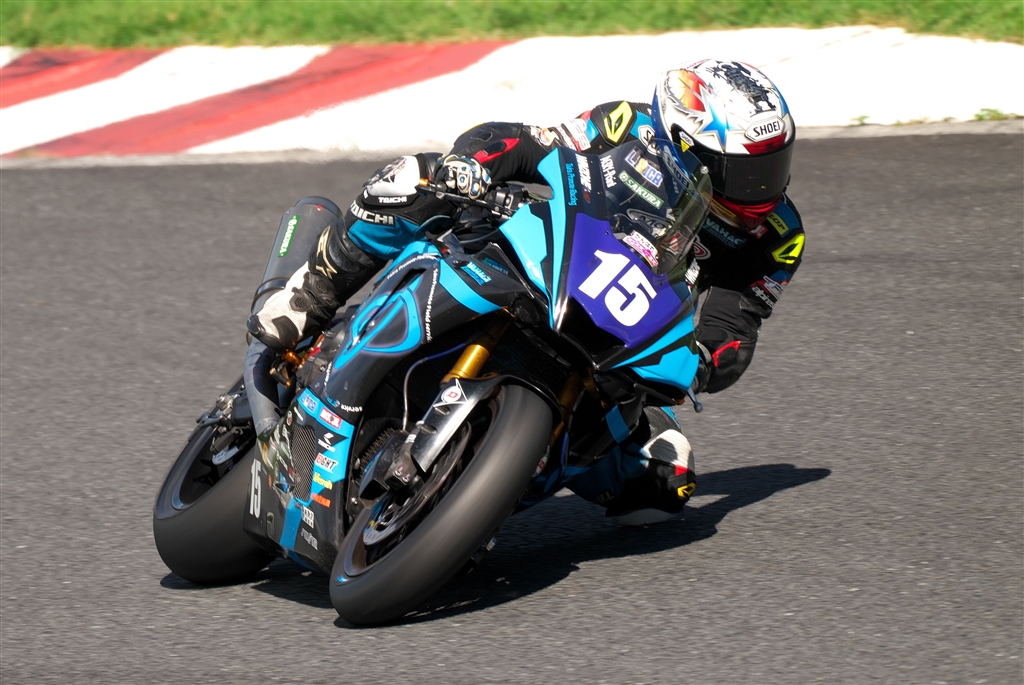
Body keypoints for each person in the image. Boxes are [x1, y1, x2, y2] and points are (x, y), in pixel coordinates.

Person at [248, 59, 805, 523]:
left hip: (621, 344)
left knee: (666, 478)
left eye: (773, 167)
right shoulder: (626, 126)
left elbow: (734, 327)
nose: (763, 190)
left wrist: (705, 361)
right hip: (544, 262)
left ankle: (478, 493)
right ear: (686, 149)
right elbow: (525, 145)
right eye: (746, 174)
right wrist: (472, 165)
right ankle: (311, 293)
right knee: (418, 180)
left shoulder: (779, 237)